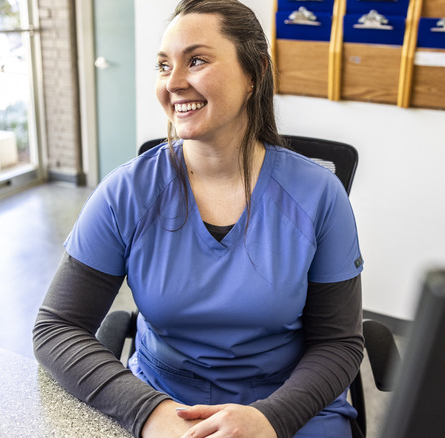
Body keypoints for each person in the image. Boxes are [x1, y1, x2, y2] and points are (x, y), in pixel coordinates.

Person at [33, 1, 365, 437]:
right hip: (162, 403)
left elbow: (337, 343)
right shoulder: (126, 193)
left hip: (285, 407)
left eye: (197, 60)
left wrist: (271, 418)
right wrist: (149, 412)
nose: (173, 82)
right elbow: (57, 328)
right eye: (163, 65)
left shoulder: (319, 195)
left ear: (255, 73)